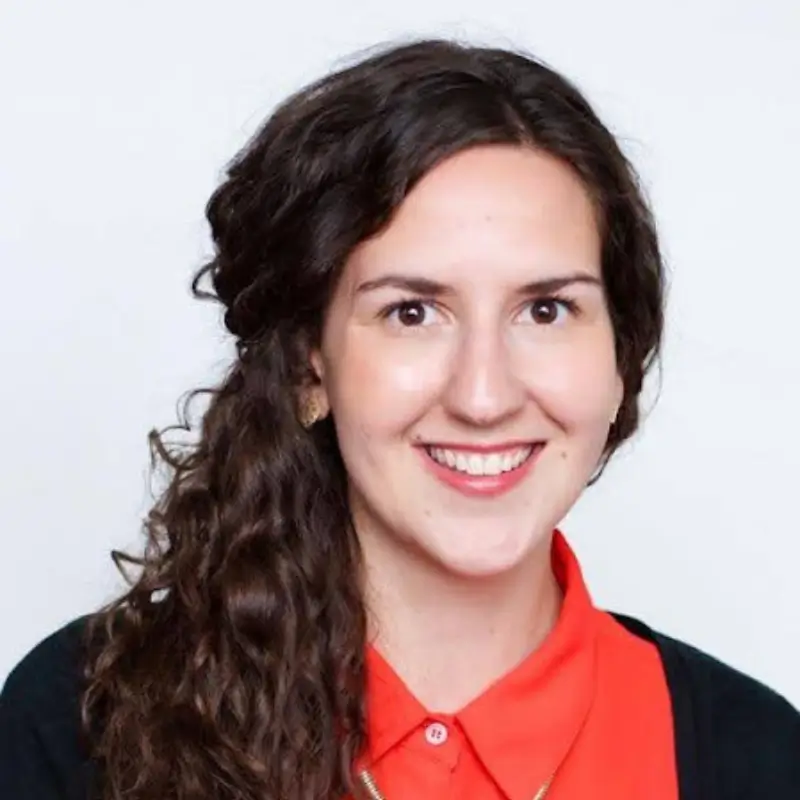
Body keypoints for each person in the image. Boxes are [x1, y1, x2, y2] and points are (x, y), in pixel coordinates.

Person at [0, 37, 798, 800]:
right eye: (412, 312)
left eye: (547, 310)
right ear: (310, 365)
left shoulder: (758, 760)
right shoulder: (82, 721)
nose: (483, 397)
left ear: (621, 359)